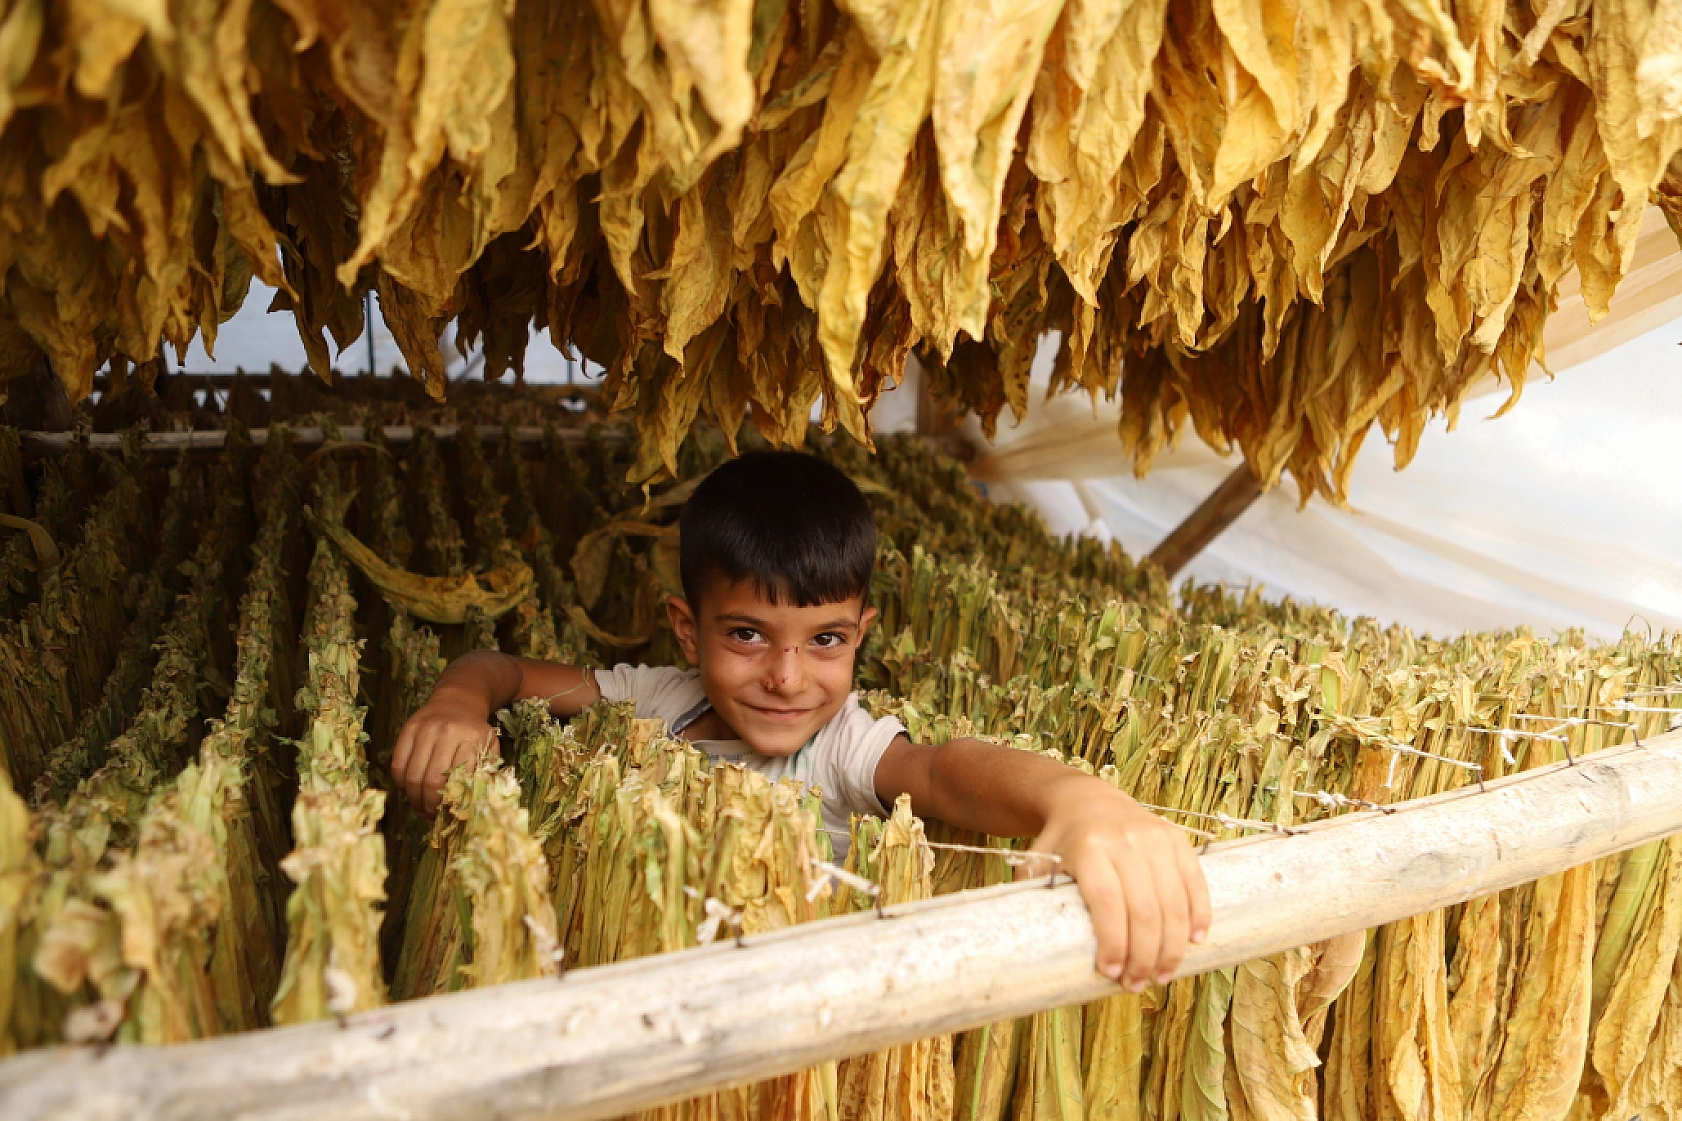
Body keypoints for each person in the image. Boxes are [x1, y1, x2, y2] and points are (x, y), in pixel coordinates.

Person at [394, 450, 1210, 991]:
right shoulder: (659, 702)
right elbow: (500, 669)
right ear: (687, 628)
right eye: (746, 634)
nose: (786, 677)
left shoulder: (841, 749)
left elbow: (941, 769)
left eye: (824, 640)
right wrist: (457, 703)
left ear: (861, 633)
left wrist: (1075, 798)